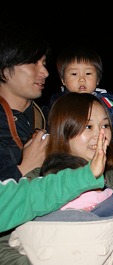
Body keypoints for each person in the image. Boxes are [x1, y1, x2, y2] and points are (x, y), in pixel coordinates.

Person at [0, 93, 113, 265]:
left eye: (105, 125)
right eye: (88, 126)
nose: (100, 134)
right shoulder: (34, 185)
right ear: (63, 131)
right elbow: (4, 248)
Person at [0, 129, 108, 233]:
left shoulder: (110, 182)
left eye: (105, 126)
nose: (97, 134)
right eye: (88, 127)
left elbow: (29, 198)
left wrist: (87, 175)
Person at [41, 44, 113, 160]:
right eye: (74, 74)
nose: (82, 79)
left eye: (88, 73)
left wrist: (109, 158)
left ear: (97, 79)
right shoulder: (56, 104)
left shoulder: (107, 105)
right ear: (63, 80)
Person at [0, 22, 50, 181]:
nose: (45, 72)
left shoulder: (47, 116)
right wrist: (24, 168)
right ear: (4, 68)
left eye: (44, 63)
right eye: (33, 62)